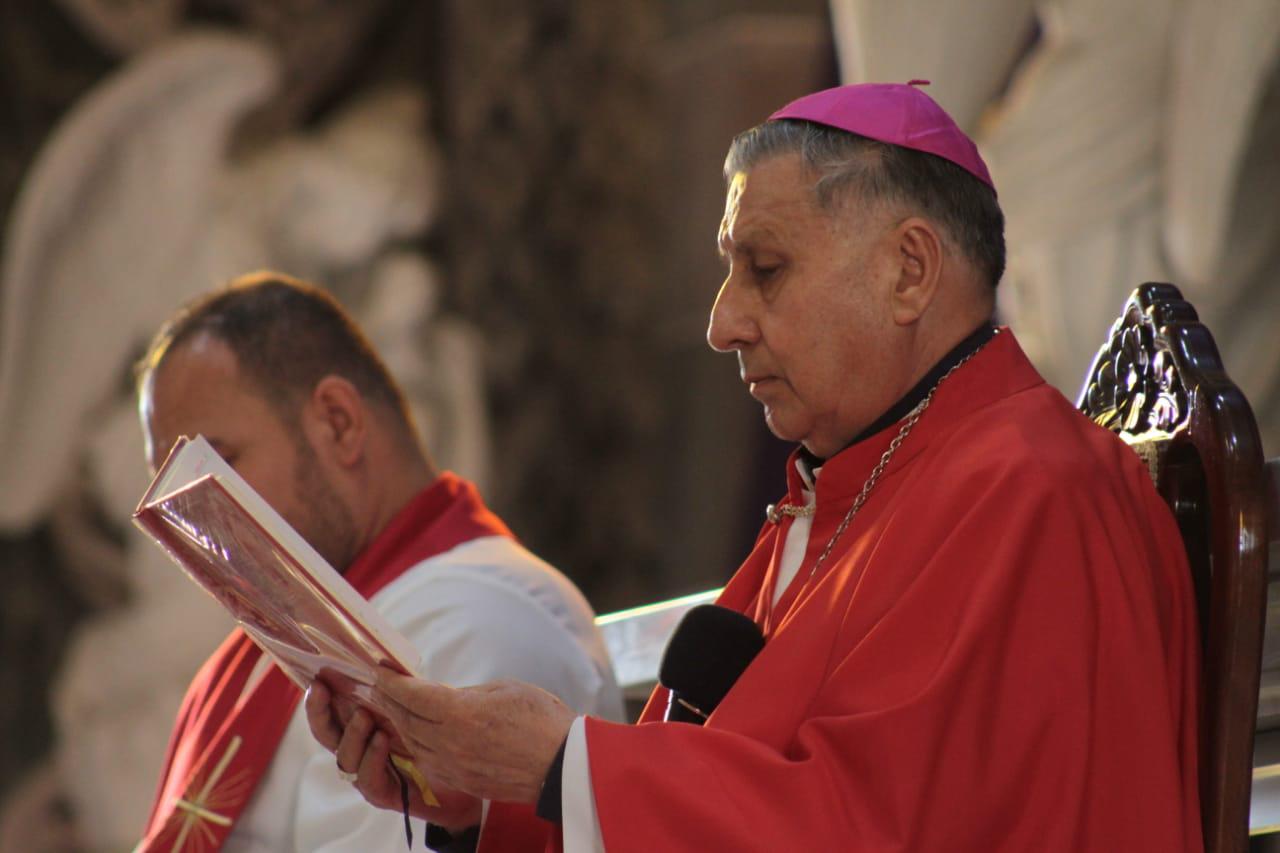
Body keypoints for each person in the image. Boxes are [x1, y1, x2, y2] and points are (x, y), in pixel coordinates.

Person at [305, 82, 1202, 851]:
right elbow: (720, 794)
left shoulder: (1030, 488)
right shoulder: (837, 497)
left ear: (910, 270)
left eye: (764, 268)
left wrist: (565, 762)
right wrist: (482, 802)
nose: (722, 322)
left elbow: (874, 828)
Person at [133, 272, 624, 852]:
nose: (197, 524)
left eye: (217, 467)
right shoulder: (269, 660)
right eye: (175, 496)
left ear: (338, 423)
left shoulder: (473, 615)